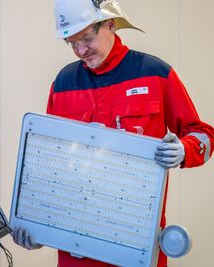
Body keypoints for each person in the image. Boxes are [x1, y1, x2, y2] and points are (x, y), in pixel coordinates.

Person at [12, 0, 214, 266]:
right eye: (71, 43)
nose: (80, 50)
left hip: (137, 245)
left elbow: (203, 135)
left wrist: (184, 150)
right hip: (75, 250)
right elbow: (50, 164)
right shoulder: (63, 83)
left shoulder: (155, 74)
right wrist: (37, 225)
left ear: (109, 24)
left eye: (86, 38)